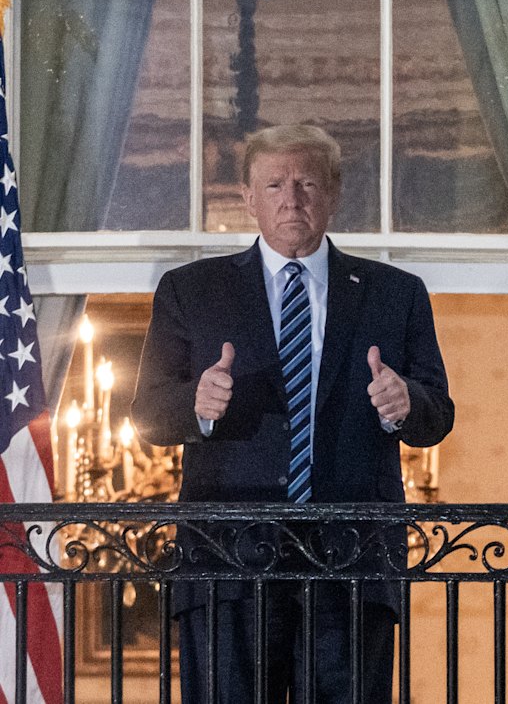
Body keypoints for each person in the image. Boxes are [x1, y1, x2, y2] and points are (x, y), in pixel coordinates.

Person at [132, 124, 454, 703]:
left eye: (307, 183)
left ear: (333, 194)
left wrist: (405, 404)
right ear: (249, 197)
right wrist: (197, 407)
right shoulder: (190, 290)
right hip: (227, 564)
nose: (292, 198)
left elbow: (437, 414)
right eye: (275, 184)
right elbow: (151, 414)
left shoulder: (395, 292)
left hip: (353, 562)